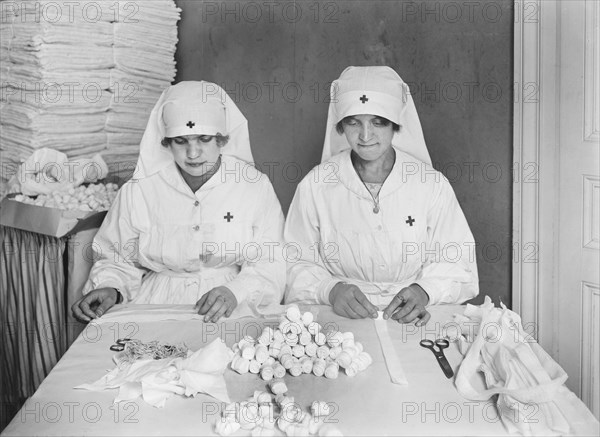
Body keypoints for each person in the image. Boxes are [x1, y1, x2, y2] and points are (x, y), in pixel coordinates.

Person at [72, 81, 286, 323]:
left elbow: (271, 261)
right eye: (181, 141)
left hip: (231, 308)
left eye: (203, 139)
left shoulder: (253, 187)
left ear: (222, 139)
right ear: (165, 141)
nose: (193, 153)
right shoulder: (140, 189)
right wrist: (111, 287)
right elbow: (117, 258)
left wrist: (236, 291)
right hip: (156, 306)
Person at [284, 66, 479, 325]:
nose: (365, 136)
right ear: (341, 126)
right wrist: (330, 290)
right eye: (354, 122)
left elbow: (458, 262)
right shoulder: (316, 185)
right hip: (339, 318)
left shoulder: (429, 184)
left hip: (413, 317)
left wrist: (425, 291)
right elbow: (293, 261)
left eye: (378, 122)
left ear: (396, 125)